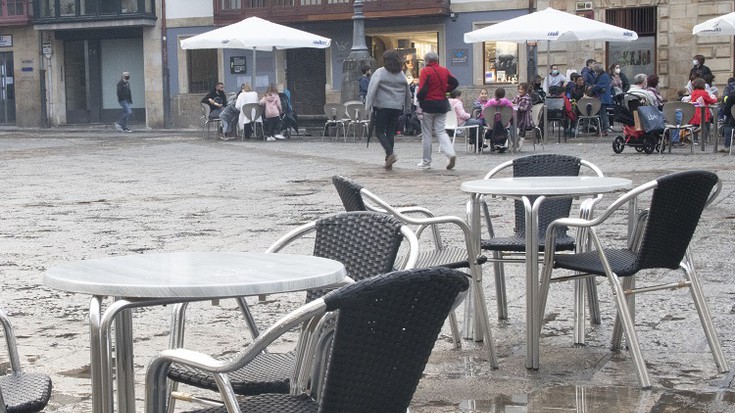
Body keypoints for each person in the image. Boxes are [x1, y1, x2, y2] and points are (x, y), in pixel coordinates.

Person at [364, 49, 412, 170]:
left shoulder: (380, 72)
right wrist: (407, 107)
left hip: (382, 106)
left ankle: (390, 154)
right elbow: (407, 92)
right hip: (397, 107)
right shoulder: (401, 74)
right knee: (390, 132)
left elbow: (372, 89)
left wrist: (368, 105)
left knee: (379, 131)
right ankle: (388, 160)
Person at [415, 51, 458, 169]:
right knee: (441, 131)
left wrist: (419, 98)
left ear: (427, 61)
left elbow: (423, 89)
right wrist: (445, 90)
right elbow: (455, 82)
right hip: (442, 104)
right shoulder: (444, 70)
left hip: (428, 105)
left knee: (427, 134)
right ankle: (450, 153)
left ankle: (426, 162)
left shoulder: (425, 71)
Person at [483, 87, 513, 151]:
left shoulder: (489, 102)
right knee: (509, 126)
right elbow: (512, 113)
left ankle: (492, 144)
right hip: (504, 124)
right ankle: (503, 143)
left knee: (492, 128)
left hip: (491, 124)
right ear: (504, 94)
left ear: (495, 94)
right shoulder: (508, 103)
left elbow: (484, 112)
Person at [589, 63, 612, 135]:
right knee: (600, 114)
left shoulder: (604, 76)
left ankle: (605, 129)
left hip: (603, 97)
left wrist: (592, 88)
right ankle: (600, 129)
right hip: (601, 97)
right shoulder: (603, 75)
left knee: (602, 114)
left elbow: (600, 86)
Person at [512, 82, 533, 150]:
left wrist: (517, 106)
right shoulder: (517, 97)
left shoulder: (527, 98)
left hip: (524, 118)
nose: (520, 91)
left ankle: (519, 145)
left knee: (521, 132)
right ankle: (514, 143)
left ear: (525, 90)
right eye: (519, 89)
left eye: (522, 89)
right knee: (513, 128)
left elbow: (524, 108)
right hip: (516, 116)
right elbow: (513, 102)